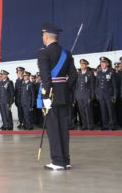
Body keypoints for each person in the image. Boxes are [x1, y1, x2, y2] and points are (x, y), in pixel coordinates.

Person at [37, 23, 77, 170]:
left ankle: (58, 161)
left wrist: (46, 97)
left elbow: (46, 77)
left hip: (51, 96)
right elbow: (73, 75)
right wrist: (64, 88)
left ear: (46, 36)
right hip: (63, 95)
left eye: (43, 35)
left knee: (53, 129)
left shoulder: (43, 53)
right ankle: (65, 160)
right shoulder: (66, 53)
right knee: (63, 129)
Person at [95, 57, 117, 130]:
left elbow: (114, 85)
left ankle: (112, 125)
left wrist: (114, 95)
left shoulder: (111, 72)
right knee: (103, 110)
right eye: (101, 63)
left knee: (111, 110)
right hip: (101, 95)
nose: (102, 64)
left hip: (109, 95)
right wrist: (97, 93)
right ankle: (105, 125)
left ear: (107, 64)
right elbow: (97, 85)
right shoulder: (99, 72)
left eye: (103, 63)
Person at [74, 59, 95, 130]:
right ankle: (85, 125)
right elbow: (76, 86)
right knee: (81, 110)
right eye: (81, 64)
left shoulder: (90, 74)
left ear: (86, 65)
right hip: (79, 95)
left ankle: (90, 125)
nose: (82, 66)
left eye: (83, 64)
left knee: (88, 110)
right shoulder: (79, 74)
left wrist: (92, 96)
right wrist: (76, 96)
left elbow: (92, 86)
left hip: (87, 95)